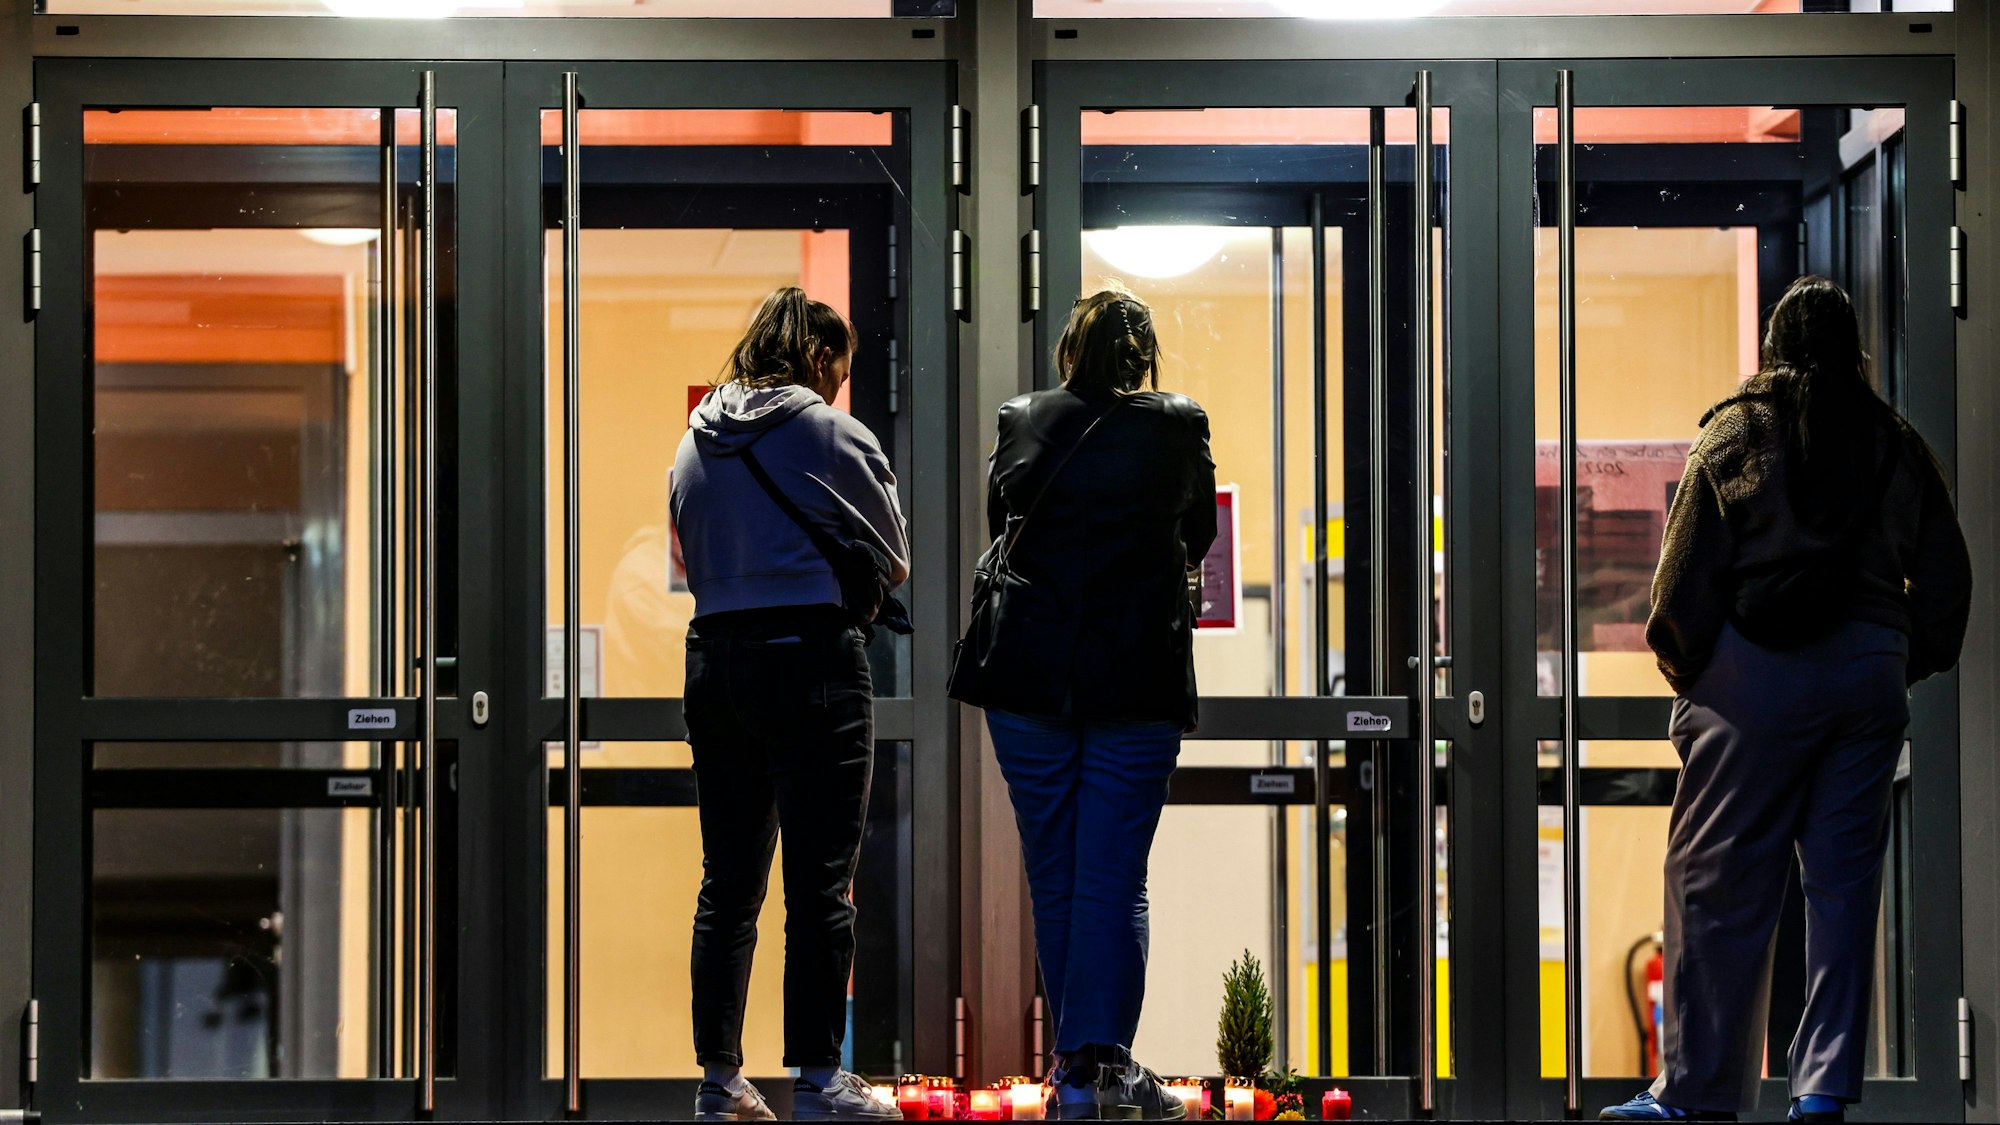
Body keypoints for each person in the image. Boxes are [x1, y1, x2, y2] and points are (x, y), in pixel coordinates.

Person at [1600, 277, 1971, 1125]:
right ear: (1854, 350)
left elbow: (1677, 593)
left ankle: (1697, 1093)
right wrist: (1892, 655)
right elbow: (1948, 585)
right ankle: (1820, 1091)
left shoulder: (1737, 432)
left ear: (1773, 347)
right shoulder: (1898, 443)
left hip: (1753, 676)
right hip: (1869, 676)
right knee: (1844, 889)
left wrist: (1699, 673)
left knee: (1715, 880)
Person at [954, 286, 1217, 1121]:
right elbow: (1199, 535)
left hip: (1029, 678)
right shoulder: (1179, 425)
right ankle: (1098, 1068)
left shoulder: (1022, 418)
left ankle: (1080, 1071)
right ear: (1142, 360)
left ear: (1070, 350)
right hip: (1135, 679)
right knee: (1114, 876)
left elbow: (1002, 518)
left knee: (1056, 873)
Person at [671, 287, 908, 1123]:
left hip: (716, 662)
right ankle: (817, 1078)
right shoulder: (829, 432)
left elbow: (688, 550)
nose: (838, 388)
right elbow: (895, 555)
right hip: (812, 660)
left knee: (727, 883)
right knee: (821, 880)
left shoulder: (692, 445)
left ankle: (718, 1083)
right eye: (837, 372)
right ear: (817, 358)